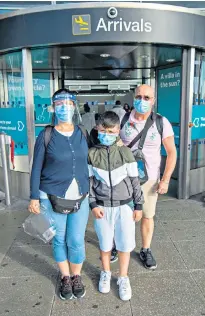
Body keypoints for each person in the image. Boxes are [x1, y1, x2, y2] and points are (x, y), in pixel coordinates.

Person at [28, 89, 90, 300]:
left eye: (68, 103)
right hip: (51, 196)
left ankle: (76, 275)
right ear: (53, 107)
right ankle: (65, 277)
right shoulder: (46, 135)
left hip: (81, 196)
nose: (65, 107)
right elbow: (36, 167)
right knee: (59, 239)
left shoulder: (82, 131)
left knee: (76, 240)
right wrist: (34, 197)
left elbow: (89, 160)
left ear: (74, 106)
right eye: (60, 103)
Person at [120, 84, 177, 269]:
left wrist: (165, 179)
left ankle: (145, 249)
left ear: (153, 101)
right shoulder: (122, 120)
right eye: (138, 96)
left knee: (147, 216)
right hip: (123, 179)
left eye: (146, 98)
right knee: (120, 216)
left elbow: (171, 153)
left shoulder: (161, 122)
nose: (141, 101)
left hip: (149, 180)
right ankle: (116, 246)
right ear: (133, 97)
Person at [88, 111, 144, 301]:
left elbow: (135, 181)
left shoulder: (126, 152)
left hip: (125, 207)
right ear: (97, 129)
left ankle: (123, 277)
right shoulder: (92, 154)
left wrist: (138, 205)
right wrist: (93, 204)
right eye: (103, 130)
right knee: (105, 244)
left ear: (118, 130)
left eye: (111, 131)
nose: (107, 134)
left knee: (124, 245)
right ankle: (105, 273)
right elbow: (89, 183)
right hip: (102, 207)